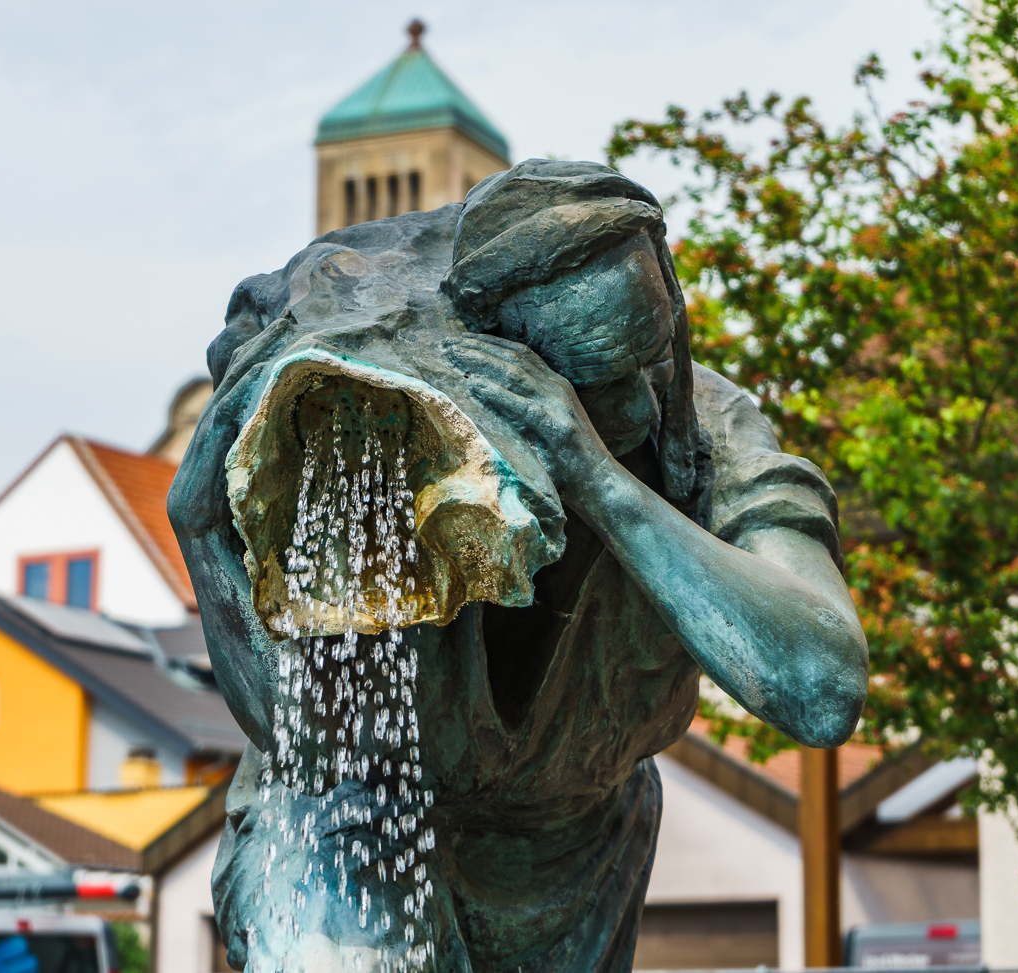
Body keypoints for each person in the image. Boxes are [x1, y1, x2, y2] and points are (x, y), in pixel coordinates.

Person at [170, 159, 867, 973]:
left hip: (577, 860)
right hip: (357, 831)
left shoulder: (711, 432)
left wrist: (598, 478)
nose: (645, 401)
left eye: (656, 350)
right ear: (510, 364)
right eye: (602, 381)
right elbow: (315, 750)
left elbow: (822, 689)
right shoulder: (403, 448)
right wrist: (203, 538)